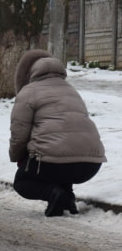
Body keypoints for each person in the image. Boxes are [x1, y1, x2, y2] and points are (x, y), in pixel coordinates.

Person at [9, 49, 107, 216]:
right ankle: (67, 197)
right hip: (91, 164)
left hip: (54, 163)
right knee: (61, 157)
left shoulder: (29, 91)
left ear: (27, 73)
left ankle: (53, 194)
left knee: (22, 181)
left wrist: (18, 158)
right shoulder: (72, 90)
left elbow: (19, 135)